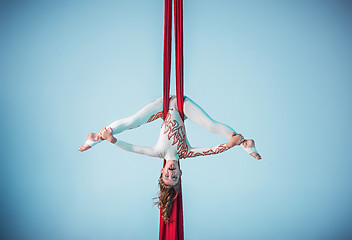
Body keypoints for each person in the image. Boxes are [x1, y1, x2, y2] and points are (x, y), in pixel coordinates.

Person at [78, 95, 261, 222]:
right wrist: (230, 144)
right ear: (181, 172)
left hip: (163, 107)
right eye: (175, 177)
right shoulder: (185, 152)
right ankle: (244, 142)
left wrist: (112, 140)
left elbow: (133, 148)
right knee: (210, 125)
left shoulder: (158, 152)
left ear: (162, 170)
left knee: (133, 122)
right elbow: (212, 150)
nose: (171, 174)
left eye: (167, 175)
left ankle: (98, 137)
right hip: (183, 107)